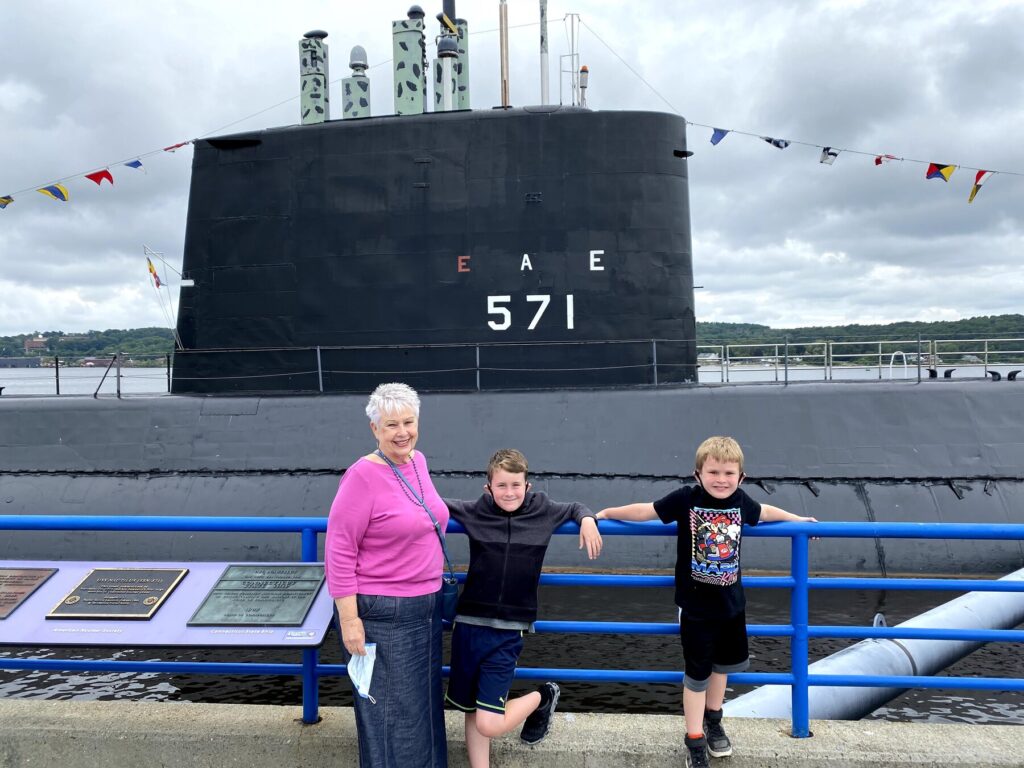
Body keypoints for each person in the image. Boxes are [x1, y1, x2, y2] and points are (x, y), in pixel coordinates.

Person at [597, 436, 816, 768]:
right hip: (696, 607)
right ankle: (694, 738)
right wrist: (608, 512)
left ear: (741, 478)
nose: (721, 479)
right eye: (713, 472)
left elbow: (766, 513)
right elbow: (649, 510)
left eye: (729, 473)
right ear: (698, 474)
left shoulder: (741, 501)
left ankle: (714, 722)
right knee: (696, 674)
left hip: (731, 606)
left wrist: (798, 521)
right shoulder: (686, 499)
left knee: (722, 668)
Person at [443, 448, 603, 768]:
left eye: (516, 485)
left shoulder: (543, 511)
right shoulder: (476, 511)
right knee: (473, 709)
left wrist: (586, 519)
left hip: (507, 631)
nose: (509, 492)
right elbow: (431, 505)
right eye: (501, 486)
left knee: (489, 721)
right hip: (469, 624)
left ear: (527, 485)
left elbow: (575, 507)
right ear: (488, 488)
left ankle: (543, 696)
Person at [325, 382, 448, 768]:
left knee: (422, 713)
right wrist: (349, 620)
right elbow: (339, 549)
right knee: (390, 717)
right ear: (375, 430)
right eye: (391, 424)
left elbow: (426, 510)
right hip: (382, 615)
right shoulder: (362, 477)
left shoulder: (417, 461)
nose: (402, 432)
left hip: (425, 609)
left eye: (408, 422)